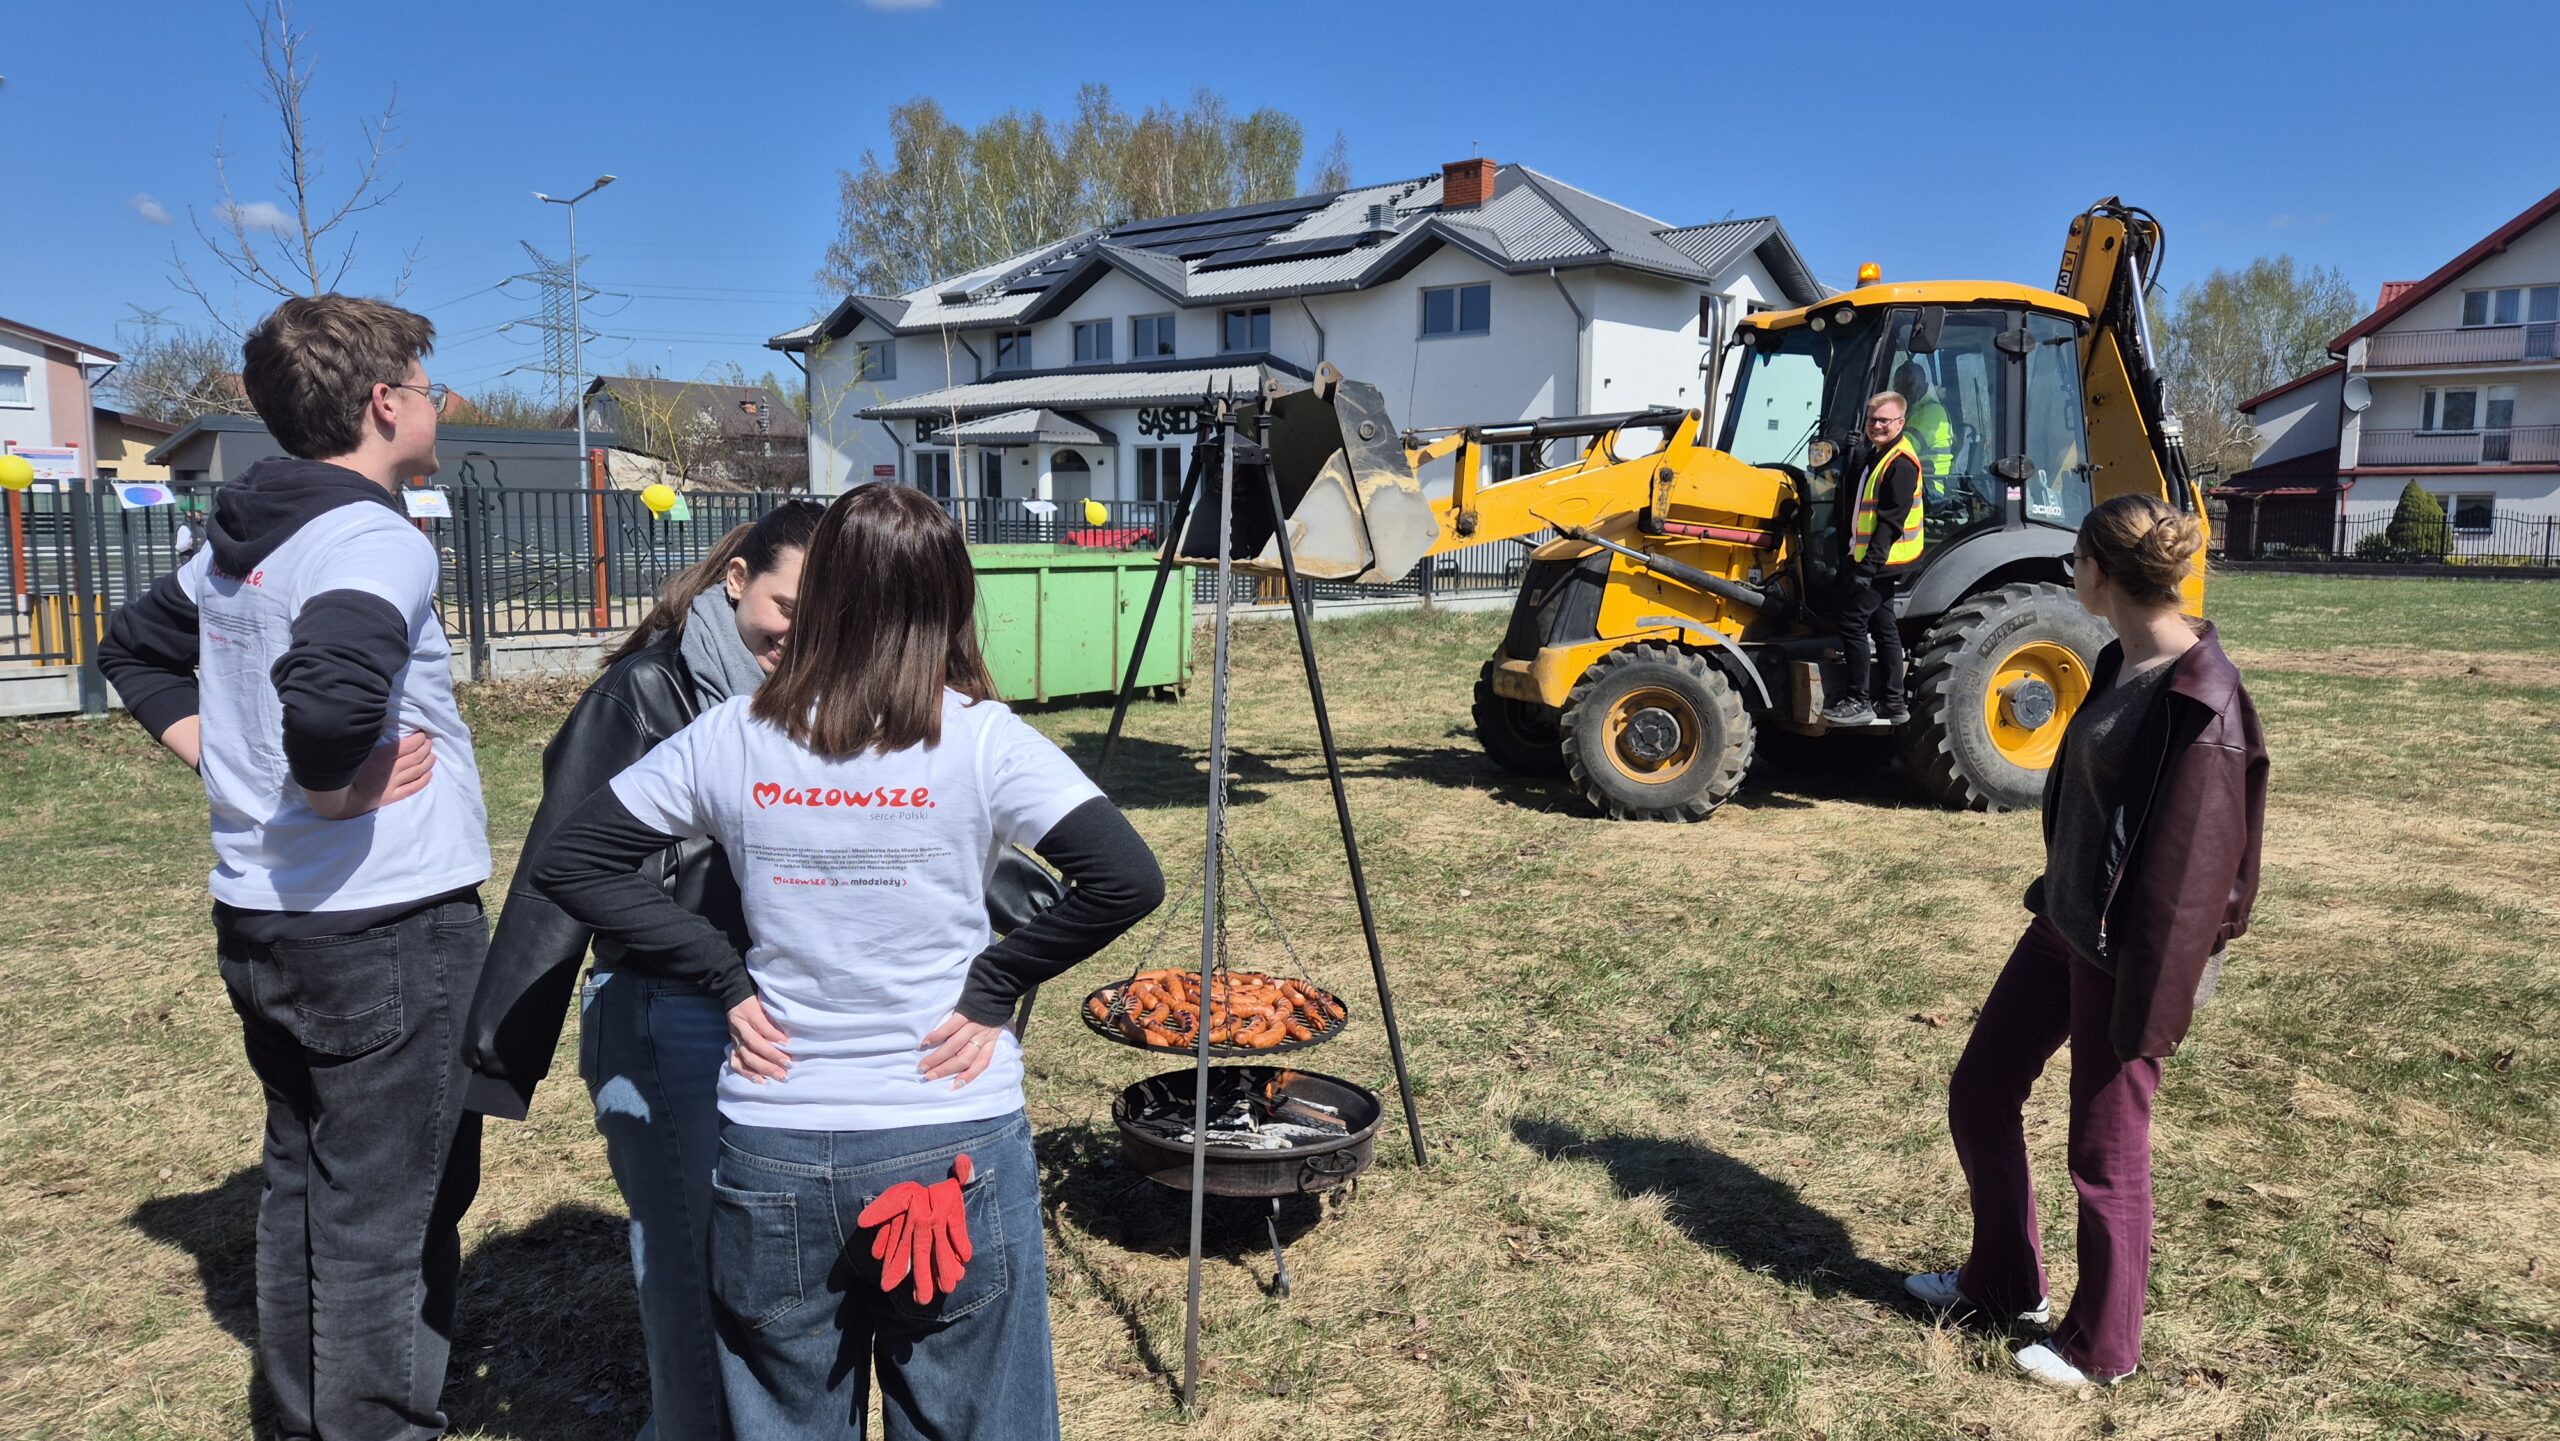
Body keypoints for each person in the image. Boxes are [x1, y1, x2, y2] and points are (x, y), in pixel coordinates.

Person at [532, 483, 1164, 1439]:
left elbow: (572, 859)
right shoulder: (983, 739)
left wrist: (719, 972)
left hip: (776, 1148)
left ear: (822, 595)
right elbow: (1125, 877)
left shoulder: (736, 735)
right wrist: (993, 985)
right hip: (948, 1137)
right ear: (950, 598)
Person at [96, 294, 490, 1439]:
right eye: (427, 385)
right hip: (383, 924)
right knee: (388, 1216)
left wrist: (224, 763)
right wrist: (334, 785)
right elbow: (328, 700)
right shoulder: (372, 537)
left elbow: (133, 645)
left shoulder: (238, 535)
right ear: (382, 404)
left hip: (266, 920)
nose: (439, 401)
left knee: (305, 1187)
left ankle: (306, 1416)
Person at [462, 503, 819, 1441]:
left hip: (772, 1014)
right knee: (693, 1259)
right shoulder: (645, 693)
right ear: (736, 578)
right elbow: (559, 871)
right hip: (672, 1014)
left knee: (760, 1250)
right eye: (788, 602)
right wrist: (498, 1052)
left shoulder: (816, 695)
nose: (802, 631)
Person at [1904, 494, 2267, 1389]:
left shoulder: (2202, 705)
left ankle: (2104, 1345)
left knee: (2105, 1151)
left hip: (2130, 956)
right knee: (1981, 1089)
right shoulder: (2119, 660)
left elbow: (2194, 887)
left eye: (2076, 561)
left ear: (2099, 571)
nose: (2073, 574)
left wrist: (2150, 999)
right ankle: (2001, 1282)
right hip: (2065, 923)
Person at [1822, 391, 1926, 726]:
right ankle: (1894, 703)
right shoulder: (1881, 455)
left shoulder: (1901, 463)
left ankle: (1859, 700)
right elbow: (1858, 499)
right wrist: (1856, 457)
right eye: (1872, 420)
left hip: (1881, 561)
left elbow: (1890, 522)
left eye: (1884, 420)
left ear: (1901, 422)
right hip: (1876, 559)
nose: (1876, 425)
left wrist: (1866, 568)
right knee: (1884, 628)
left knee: (1852, 622)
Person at [1892, 360, 1956, 502]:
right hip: (1916, 486)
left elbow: (1898, 448)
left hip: (1930, 491)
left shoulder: (1931, 413)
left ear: (1921, 387)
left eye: (1907, 386)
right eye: (1897, 387)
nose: (1901, 392)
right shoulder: (1914, 410)